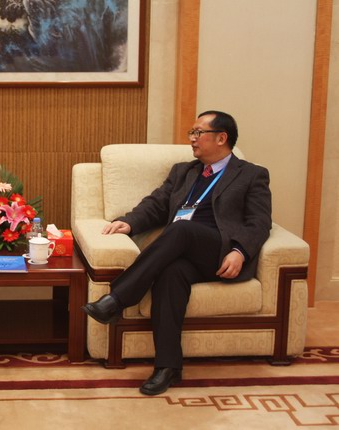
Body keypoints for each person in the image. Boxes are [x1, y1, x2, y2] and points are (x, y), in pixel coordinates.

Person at [82, 110, 272, 395]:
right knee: (171, 274)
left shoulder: (251, 174)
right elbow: (157, 204)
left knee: (181, 229)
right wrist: (130, 222)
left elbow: (259, 222)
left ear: (221, 138)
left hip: (220, 252)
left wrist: (240, 251)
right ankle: (167, 367)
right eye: (191, 133)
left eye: (199, 133)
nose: (192, 139)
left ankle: (117, 299)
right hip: (184, 252)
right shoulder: (184, 171)